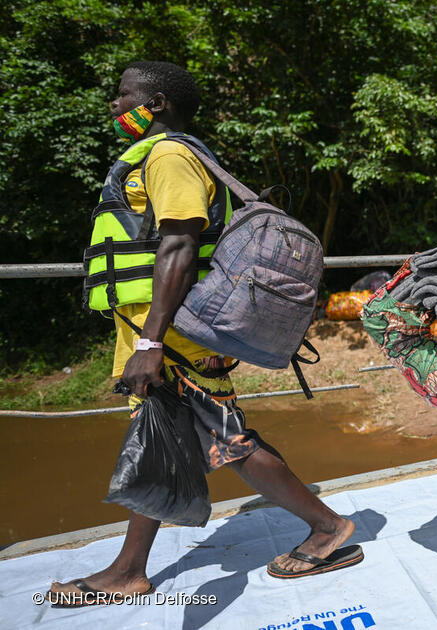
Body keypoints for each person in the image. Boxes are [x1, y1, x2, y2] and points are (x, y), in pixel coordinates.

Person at [48, 62, 361, 606]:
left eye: (125, 95)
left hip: (171, 335)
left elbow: (179, 247)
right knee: (161, 431)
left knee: (225, 440)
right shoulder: (150, 156)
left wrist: (150, 343)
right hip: (151, 329)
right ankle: (129, 570)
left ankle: (330, 528)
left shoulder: (169, 156)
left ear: (159, 102)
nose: (116, 106)